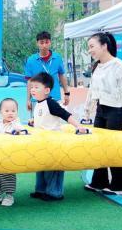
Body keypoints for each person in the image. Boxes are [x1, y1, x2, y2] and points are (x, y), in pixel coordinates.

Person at [83, 32, 122, 195]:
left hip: (116, 111)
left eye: (92, 46)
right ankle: (99, 181)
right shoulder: (97, 66)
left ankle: (119, 185)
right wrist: (87, 113)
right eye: (89, 47)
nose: (90, 50)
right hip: (101, 110)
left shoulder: (119, 65)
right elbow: (92, 91)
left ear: (104, 46)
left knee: (114, 148)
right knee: (99, 147)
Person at [29, 72, 88, 201]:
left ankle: (54, 193)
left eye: (36, 87)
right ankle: (41, 190)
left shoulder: (51, 103)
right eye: (32, 87)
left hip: (53, 143)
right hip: (42, 143)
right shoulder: (38, 104)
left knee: (53, 168)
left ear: (47, 90)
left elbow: (65, 115)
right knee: (41, 167)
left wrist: (78, 126)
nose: (32, 90)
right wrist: (33, 121)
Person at [24, 31, 71, 116]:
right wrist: (28, 99)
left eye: (46, 42)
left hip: (55, 98)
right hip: (37, 99)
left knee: (55, 122)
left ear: (50, 42)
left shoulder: (57, 58)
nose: (44, 45)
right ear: (37, 43)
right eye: (41, 43)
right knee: (37, 123)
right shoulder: (31, 60)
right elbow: (29, 81)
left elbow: (61, 76)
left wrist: (66, 93)